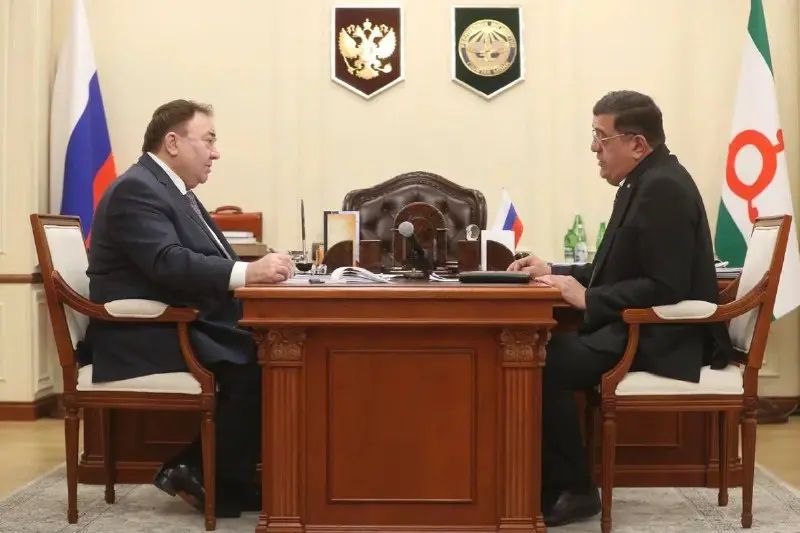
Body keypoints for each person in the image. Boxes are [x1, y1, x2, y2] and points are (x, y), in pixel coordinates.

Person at [508, 90, 732, 527]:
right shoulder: (644, 181)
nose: (594, 148)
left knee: (543, 361)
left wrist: (589, 298)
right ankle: (550, 484)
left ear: (637, 144)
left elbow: (665, 287)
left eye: (601, 137)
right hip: (635, 327)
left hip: (662, 336)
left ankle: (573, 491)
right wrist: (552, 269)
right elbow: (614, 267)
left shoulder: (663, 188)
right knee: (543, 352)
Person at [85, 99, 295, 518]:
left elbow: (201, 259)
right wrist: (248, 273)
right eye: (209, 140)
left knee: (266, 350)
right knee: (261, 360)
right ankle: (199, 471)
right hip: (139, 334)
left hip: (175, 322)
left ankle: (218, 476)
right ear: (173, 142)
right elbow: (167, 262)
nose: (216, 153)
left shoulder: (171, 190)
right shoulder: (136, 189)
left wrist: (255, 271)